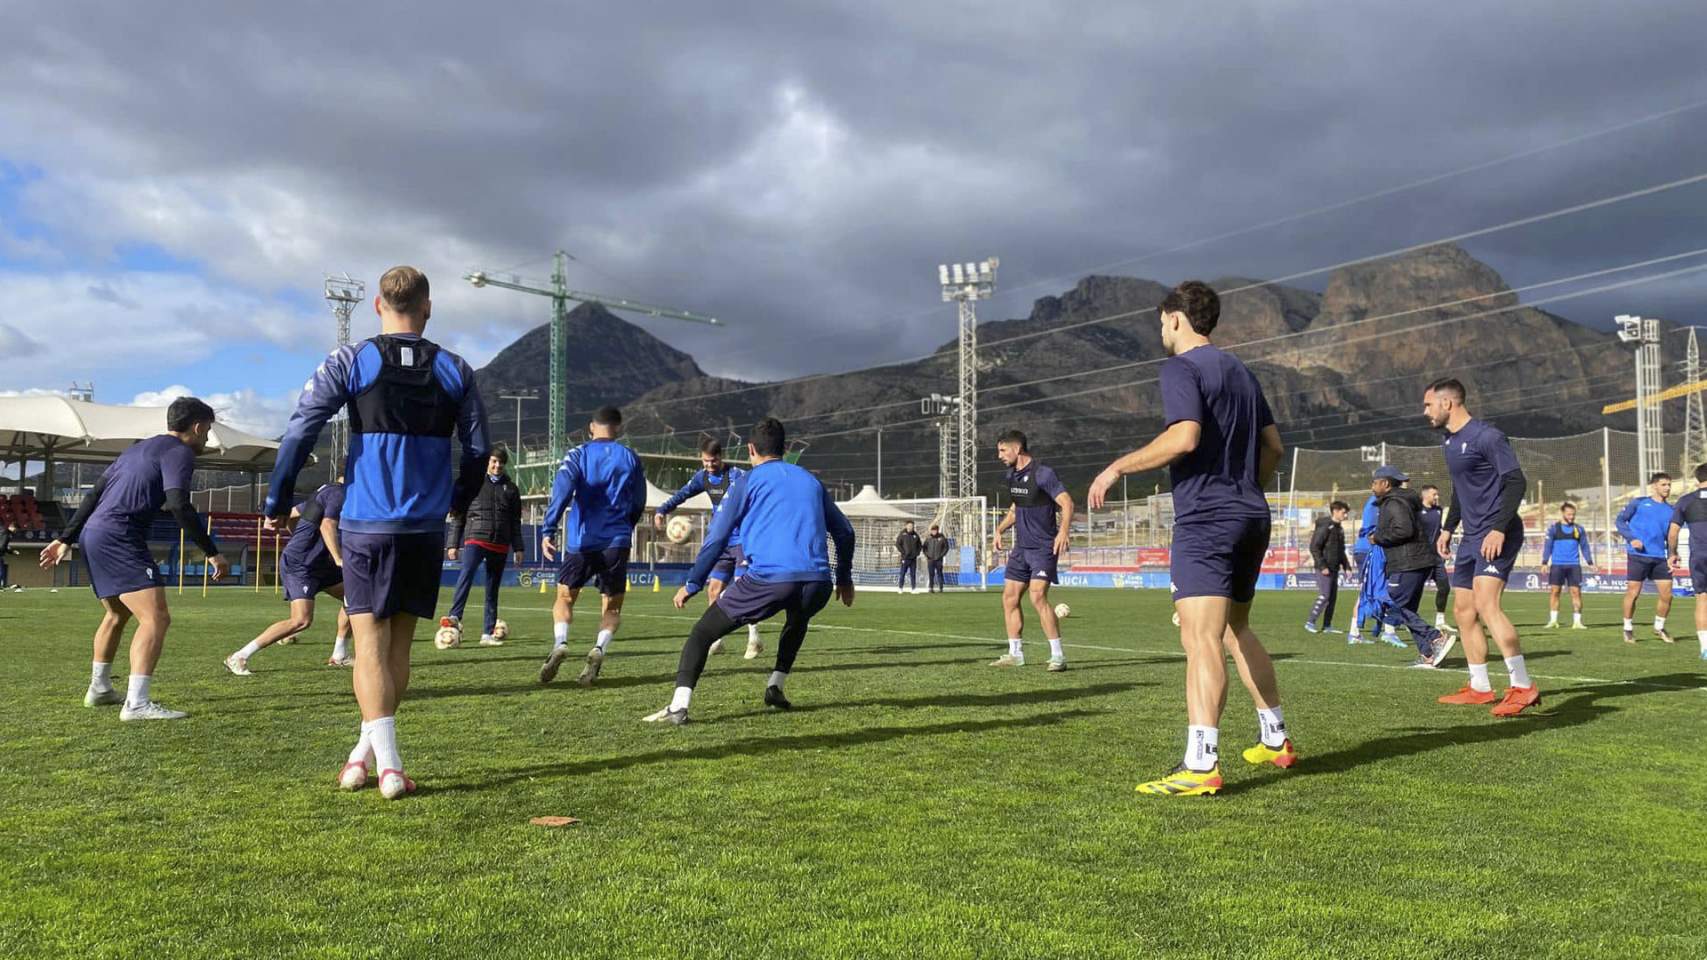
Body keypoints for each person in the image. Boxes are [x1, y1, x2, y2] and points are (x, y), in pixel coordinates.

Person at [266, 265, 491, 799]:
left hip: (365, 525)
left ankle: (385, 765)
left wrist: (277, 498)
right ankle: (367, 758)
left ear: (375, 306)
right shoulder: (456, 368)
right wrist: (455, 504)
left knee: (368, 645)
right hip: (424, 529)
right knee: (399, 651)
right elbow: (479, 451)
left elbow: (302, 428)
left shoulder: (352, 359)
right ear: (428, 306)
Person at [1088, 280, 1292, 796]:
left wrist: (1117, 468)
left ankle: (1200, 766)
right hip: (1251, 513)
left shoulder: (1182, 368)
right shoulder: (1242, 371)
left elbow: (1185, 437)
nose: (1161, 330)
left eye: (1161, 321)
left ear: (1176, 318)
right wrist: (1247, 488)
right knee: (1235, 630)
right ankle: (1275, 737)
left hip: (1209, 517)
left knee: (1200, 638)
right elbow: (1274, 446)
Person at [645, 417, 855, 723]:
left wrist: (692, 583)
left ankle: (678, 706)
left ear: (750, 449)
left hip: (771, 579)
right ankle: (775, 687)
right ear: (783, 448)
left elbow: (717, 536)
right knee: (798, 619)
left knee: (702, 633)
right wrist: (845, 578)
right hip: (818, 582)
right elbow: (845, 532)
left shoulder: (746, 481)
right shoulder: (811, 480)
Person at [39, 397, 230, 720]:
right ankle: (137, 704)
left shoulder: (136, 450)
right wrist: (212, 552)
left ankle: (99, 689)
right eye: (207, 430)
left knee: (117, 614)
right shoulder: (179, 452)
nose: (207, 438)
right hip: (120, 535)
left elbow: (94, 495)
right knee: (156, 618)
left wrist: (65, 538)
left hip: (94, 533)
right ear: (197, 426)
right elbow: (178, 504)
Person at [1424, 378, 1539, 717]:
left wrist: (1498, 529)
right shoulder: (1450, 441)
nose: (1425, 411)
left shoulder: (1487, 436)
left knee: (1488, 606)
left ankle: (1523, 686)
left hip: (1495, 534)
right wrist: (1448, 528)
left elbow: (1516, 480)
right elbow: (1461, 489)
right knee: (1463, 611)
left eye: (1429, 404)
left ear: (1448, 404)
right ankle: (1480, 687)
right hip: (1471, 536)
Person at [539, 405, 648, 687]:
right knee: (612, 608)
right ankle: (599, 649)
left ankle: (561, 642)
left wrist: (548, 528)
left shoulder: (578, 454)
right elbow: (638, 502)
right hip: (617, 541)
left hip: (582, 542)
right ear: (619, 428)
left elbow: (562, 489)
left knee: (564, 597)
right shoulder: (631, 457)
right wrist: (626, 527)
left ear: (591, 427)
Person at [225, 480, 352, 675]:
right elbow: (327, 526)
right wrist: (338, 558)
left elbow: (293, 513)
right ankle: (239, 656)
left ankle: (339, 655)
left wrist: (298, 538)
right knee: (301, 620)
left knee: (355, 597)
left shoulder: (325, 489)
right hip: (302, 564)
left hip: (319, 563)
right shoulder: (338, 493)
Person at [655, 438, 762, 659]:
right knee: (713, 590)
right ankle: (717, 639)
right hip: (721, 543)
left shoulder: (737, 476)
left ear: (721, 457)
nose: (709, 465)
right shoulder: (702, 477)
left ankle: (754, 638)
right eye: (705, 461)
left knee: (743, 588)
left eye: (713, 461)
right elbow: (682, 494)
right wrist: (662, 510)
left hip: (742, 540)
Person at [990, 430, 1074, 672]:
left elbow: (1067, 502)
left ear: (1017, 449)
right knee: (1009, 598)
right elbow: (1017, 508)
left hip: (1043, 547)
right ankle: (1015, 653)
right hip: (1021, 548)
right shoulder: (1012, 476)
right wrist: (999, 529)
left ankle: (1058, 656)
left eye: (1002, 450)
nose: (1000, 456)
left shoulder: (1043, 473)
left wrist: (1063, 531)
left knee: (1037, 596)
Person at [441, 447, 524, 647]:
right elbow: (458, 516)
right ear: (487, 463)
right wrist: (453, 544)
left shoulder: (511, 489)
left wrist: (519, 547)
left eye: (501, 463)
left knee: (492, 589)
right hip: (475, 538)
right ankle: (454, 617)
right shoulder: (473, 483)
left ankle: (487, 634)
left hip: (500, 543)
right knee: (466, 576)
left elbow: (515, 522)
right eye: (494, 461)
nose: (497, 466)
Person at [1367, 467, 1448, 668]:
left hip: (1407, 562)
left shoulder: (1394, 503)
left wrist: (1377, 538)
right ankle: (1428, 654)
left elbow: (1404, 530)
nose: (1372, 486)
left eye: (1374, 482)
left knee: (1397, 606)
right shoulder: (1403, 501)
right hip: (1417, 560)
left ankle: (1435, 637)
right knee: (1408, 608)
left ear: (1385, 484)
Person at [1616, 472, 1675, 645]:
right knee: (1633, 593)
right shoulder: (1639, 503)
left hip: (1659, 557)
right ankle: (1627, 628)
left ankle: (1659, 626)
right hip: (1638, 556)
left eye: (1669, 485)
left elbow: (1672, 535)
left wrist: (1672, 553)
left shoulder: (1671, 510)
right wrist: (1631, 538)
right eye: (1664, 484)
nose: (1667, 488)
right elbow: (1620, 521)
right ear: (1654, 486)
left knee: (1667, 595)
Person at [1665, 463, 1707, 661]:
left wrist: (1672, 553)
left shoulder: (1685, 501)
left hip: (1698, 555)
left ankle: (1705, 648)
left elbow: (1673, 532)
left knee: (1702, 599)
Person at [1348, 491, 1399, 647]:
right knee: (1370, 592)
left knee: (1380, 590)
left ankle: (1385, 630)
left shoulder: (1382, 502)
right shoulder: (1375, 503)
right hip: (1370, 551)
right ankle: (1384, 631)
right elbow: (1371, 531)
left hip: (1374, 551)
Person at [1542, 501, 1593, 630]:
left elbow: (1585, 547)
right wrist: (1544, 562)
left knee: (1576, 592)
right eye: (1569, 514)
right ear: (1563, 513)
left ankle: (1577, 622)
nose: (1571, 517)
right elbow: (1547, 546)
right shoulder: (1554, 528)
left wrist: (1590, 562)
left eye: (1573, 515)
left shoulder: (1579, 529)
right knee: (1555, 591)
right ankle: (1553, 621)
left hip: (1574, 565)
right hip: (1557, 565)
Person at [1305, 501, 1350, 633]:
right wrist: (1322, 565)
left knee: (1332, 598)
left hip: (1334, 567)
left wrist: (1346, 566)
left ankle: (1327, 626)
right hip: (1324, 568)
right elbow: (1314, 547)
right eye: (1344, 512)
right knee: (1325, 595)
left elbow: (1340, 550)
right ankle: (1310, 622)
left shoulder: (1339, 528)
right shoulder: (1325, 527)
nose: (1346, 515)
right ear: (1335, 511)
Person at [1418, 484, 1453, 632]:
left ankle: (1440, 621)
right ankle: (1411, 619)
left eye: (1437, 494)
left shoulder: (1438, 511)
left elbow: (1441, 531)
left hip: (1437, 558)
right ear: (1425, 495)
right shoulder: (1416, 511)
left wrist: (1445, 547)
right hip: (1420, 557)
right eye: (1434, 495)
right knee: (1414, 591)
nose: (1437, 497)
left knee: (1444, 587)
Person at [895, 520, 923, 594]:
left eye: (912, 526)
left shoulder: (916, 535)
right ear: (906, 526)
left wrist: (917, 553)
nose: (910, 527)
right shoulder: (902, 534)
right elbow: (898, 544)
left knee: (913, 574)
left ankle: (913, 589)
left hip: (913, 558)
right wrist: (903, 552)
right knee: (902, 573)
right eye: (909, 526)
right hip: (905, 558)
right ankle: (900, 588)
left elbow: (920, 545)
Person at [922, 523, 951, 593]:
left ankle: (941, 588)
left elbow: (946, 547)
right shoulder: (928, 538)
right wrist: (927, 555)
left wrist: (941, 555)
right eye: (932, 530)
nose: (934, 532)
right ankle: (931, 588)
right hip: (930, 560)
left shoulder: (942, 538)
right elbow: (924, 548)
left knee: (939, 573)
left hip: (938, 559)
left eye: (935, 530)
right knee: (931, 574)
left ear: (937, 530)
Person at [0, 521, 16, 589]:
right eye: (16, 529)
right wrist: (11, 552)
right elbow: (3, 546)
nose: (16, 531)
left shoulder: (4, 532)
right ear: (12, 527)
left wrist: (11, 551)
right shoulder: (6, 533)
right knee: (1, 571)